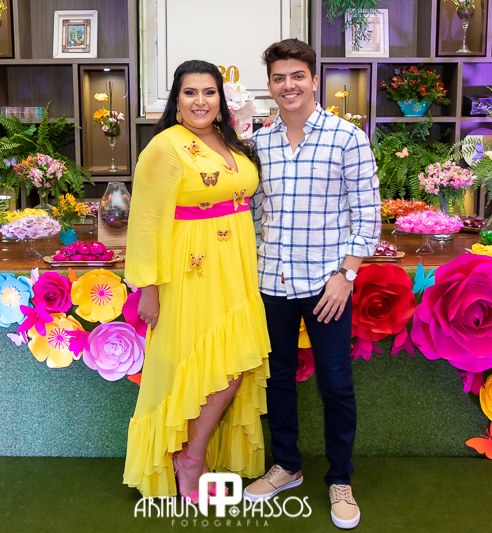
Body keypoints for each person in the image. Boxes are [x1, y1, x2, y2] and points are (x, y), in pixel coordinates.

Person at [244, 39, 381, 530]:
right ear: (269, 85)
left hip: (328, 286)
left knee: (335, 383)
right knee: (278, 378)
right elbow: (254, 213)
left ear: (314, 80)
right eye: (279, 78)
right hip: (271, 281)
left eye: (297, 76)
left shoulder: (347, 138)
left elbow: (368, 217)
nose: (289, 86)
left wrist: (347, 276)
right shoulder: (258, 144)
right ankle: (287, 465)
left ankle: (340, 478)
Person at [123, 60, 271, 503]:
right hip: (191, 269)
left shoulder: (231, 141)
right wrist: (149, 288)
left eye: (209, 92)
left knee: (234, 364)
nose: (201, 101)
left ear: (221, 100)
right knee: (208, 366)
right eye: (190, 92)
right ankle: (190, 459)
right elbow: (145, 221)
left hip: (237, 267)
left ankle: (192, 455)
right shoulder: (165, 147)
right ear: (177, 100)